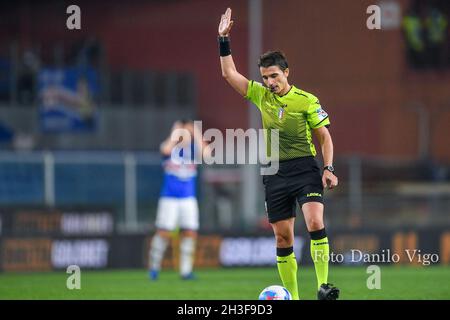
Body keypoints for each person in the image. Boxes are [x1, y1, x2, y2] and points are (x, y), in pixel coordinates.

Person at [217, 8, 340, 300]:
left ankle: (323, 286)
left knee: (314, 222)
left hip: (304, 168)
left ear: (286, 72)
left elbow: (324, 136)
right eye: (265, 77)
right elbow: (228, 73)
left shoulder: (307, 101)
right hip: (274, 171)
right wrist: (223, 40)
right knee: (283, 237)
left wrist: (328, 167)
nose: (270, 81)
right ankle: (294, 298)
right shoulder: (261, 95)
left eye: (274, 75)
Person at [149, 120, 210, 280]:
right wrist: (175, 131)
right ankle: (154, 268)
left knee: (189, 233)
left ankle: (186, 271)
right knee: (163, 232)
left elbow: (208, 153)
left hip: (188, 198)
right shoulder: (171, 147)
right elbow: (165, 149)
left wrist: (196, 131)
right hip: (169, 198)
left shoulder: (194, 149)